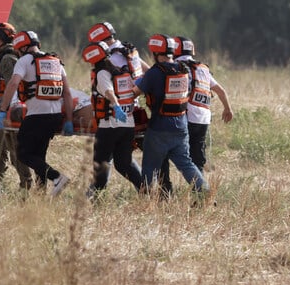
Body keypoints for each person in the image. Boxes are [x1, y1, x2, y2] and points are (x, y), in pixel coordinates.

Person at [0, 30, 74, 196]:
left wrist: (3, 110)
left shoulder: (24, 61)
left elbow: (12, 84)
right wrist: (68, 119)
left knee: (23, 154)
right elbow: (67, 93)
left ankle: (57, 177)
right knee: (39, 156)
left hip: (36, 116)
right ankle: (40, 195)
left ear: (22, 48)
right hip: (54, 117)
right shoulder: (56, 62)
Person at [131, 34, 208, 196]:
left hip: (159, 129)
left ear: (155, 53)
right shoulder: (184, 70)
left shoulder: (155, 73)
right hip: (181, 127)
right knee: (187, 165)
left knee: (150, 167)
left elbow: (134, 93)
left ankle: (146, 199)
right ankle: (205, 193)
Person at [158, 36, 234, 191]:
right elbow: (220, 90)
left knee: (163, 151)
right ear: (192, 50)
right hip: (203, 120)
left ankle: (165, 191)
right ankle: (199, 193)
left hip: (185, 118)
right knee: (197, 158)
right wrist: (228, 109)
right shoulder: (203, 68)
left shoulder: (177, 66)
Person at [82, 41, 143, 197]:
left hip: (109, 127)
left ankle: (93, 196)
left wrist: (116, 107)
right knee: (124, 164)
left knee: (100, 165)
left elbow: (109, 92)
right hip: (127, 125)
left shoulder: (102, 73)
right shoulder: (122, 71)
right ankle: (145, 188)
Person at [0, 22, 33, 192]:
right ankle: (0, 185)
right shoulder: (12, 56)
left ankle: (20, 184)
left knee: (4, 151)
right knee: (4, 151)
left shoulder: (7, 59)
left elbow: (14, 89)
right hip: (9, 110)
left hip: (10, 112)